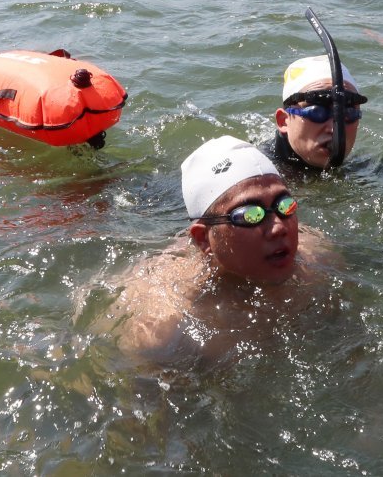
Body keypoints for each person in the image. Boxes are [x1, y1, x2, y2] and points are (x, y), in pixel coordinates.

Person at [107, 136, 332, 359]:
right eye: (250, 215)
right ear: (203, 239)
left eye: (284, 205)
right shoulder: (161, 327)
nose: (279, 228)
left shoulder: (319, 256)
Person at [270, 56, 367, 170]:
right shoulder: (258, 175)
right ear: (283, 121)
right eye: (316, 112)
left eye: (348, 113)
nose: (333, 129)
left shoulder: (370, 168)